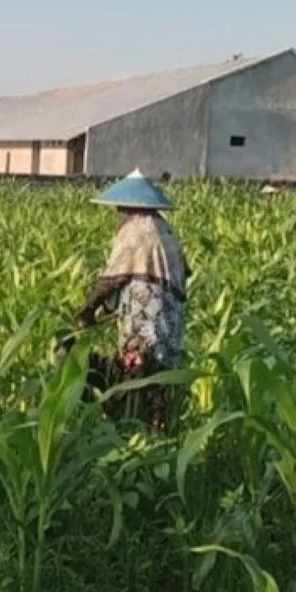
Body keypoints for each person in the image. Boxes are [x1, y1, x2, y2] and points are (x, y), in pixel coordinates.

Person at [72, 168, 191, 432]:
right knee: (161, 369)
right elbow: (186, 272)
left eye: (119, 209)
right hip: (170, 312)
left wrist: (87, 310)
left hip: (143, 311)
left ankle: (135, 424)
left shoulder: (135, 230)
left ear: (128, 206)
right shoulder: (165, 230)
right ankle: (161, 425)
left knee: (137, 364)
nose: (118, 214)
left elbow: (113, 277)